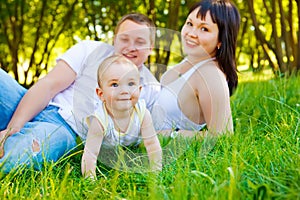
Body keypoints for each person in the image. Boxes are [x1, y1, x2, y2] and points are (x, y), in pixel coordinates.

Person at [0, 13, 160, 173]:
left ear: (151, 48)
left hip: (63, 127)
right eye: (124, 39)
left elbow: (148, 132)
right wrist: (14, 126)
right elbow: (49, 85)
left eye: (139, 42)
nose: (130, 47)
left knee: (13, 158)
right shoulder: (90, 49)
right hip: (32, 103)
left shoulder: (150, 88)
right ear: (115, 39)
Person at [152, 0, 240, 137]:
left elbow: (223, 135)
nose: (191, 33)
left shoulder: (210, 75)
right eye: (190, 24)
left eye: (204, 29)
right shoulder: (191, 60)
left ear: (221, 40)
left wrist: (170, 135)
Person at [81, 55, 162, 179]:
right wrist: (89, 179)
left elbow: (152, 144)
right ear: (101, 94)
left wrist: (156, 172)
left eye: (130, 84)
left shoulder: (142, 113)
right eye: (114, 84)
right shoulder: (99, 120)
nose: (124, 90)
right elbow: (90, 154)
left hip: (133, 144)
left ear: (139, 90)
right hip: (106, 148)